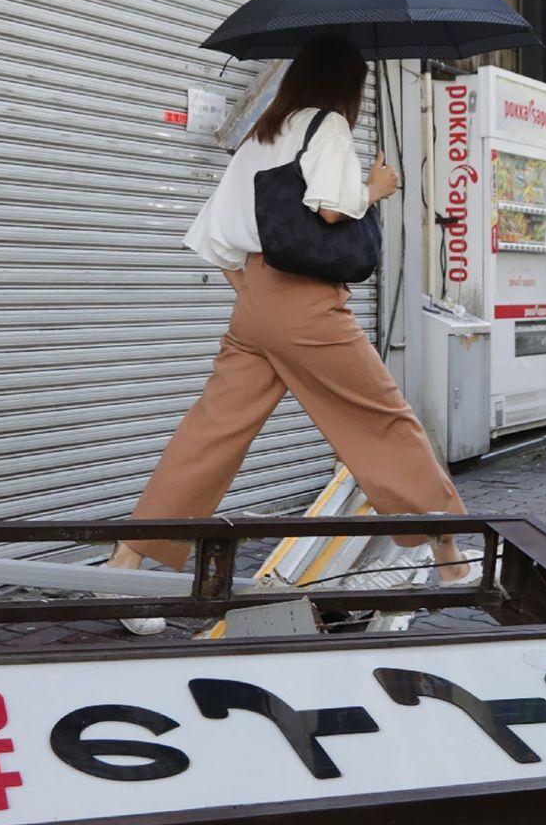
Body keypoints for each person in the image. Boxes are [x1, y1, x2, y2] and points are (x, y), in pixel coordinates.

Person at [108, 34, 470, 597]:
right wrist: (375, 188)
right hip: (307, 306)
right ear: (347, 85)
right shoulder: (326, 126)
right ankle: (448, 549)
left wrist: (258, 297)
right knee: (379, 418)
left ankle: (125, 563)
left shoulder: (263, 133)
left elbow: (214, 237)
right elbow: (331, 208)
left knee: (211, 433)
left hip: (254, 303)